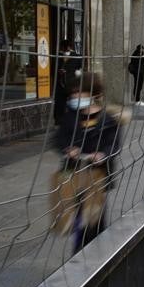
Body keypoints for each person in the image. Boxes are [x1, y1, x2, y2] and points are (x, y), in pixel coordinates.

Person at [50, 72, 124, 251]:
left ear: (93, 94)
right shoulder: (70, 117)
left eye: (79, 94)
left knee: (95, 217)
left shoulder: (108, 120)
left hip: (98, 176)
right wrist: (68, 149)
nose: (75, 98)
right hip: (73, 175)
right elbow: (58, 140)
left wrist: (102, 154)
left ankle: (93, 250)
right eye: (72, 94)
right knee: (74, 215)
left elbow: (114, 145)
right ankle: (79, 250)